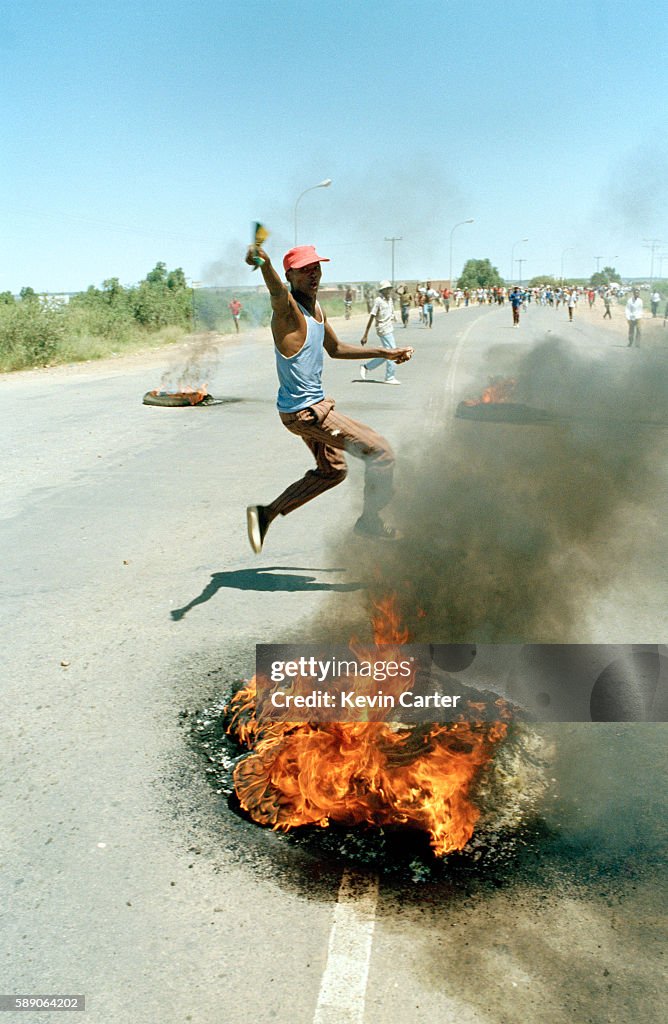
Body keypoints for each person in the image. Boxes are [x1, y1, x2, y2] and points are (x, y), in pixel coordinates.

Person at [243, 244, 414, 553]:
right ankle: (370, 521)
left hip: (310, 408)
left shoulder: (316, 309)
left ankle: (265, 514)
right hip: (307, 413)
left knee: (333, 471)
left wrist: (385, 352)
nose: (314, 274)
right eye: (305, 270)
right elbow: (277, 294)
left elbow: (335, 349)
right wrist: (265, 263)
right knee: (381, 453)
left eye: (317, 268)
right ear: (290, 276)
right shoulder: (289, 312)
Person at [359, 281, 402, 384]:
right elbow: (372, 316)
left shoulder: (390, 300)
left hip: (389, 328)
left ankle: (366, 366)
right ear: (382, 291)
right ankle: (389, 377)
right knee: (393, 352)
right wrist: (365, 334)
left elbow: (391, 312)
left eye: (389, 289)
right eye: (386, 289)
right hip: (382, 329)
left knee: (387, 353)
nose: (388, 291)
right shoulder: (378, 301)